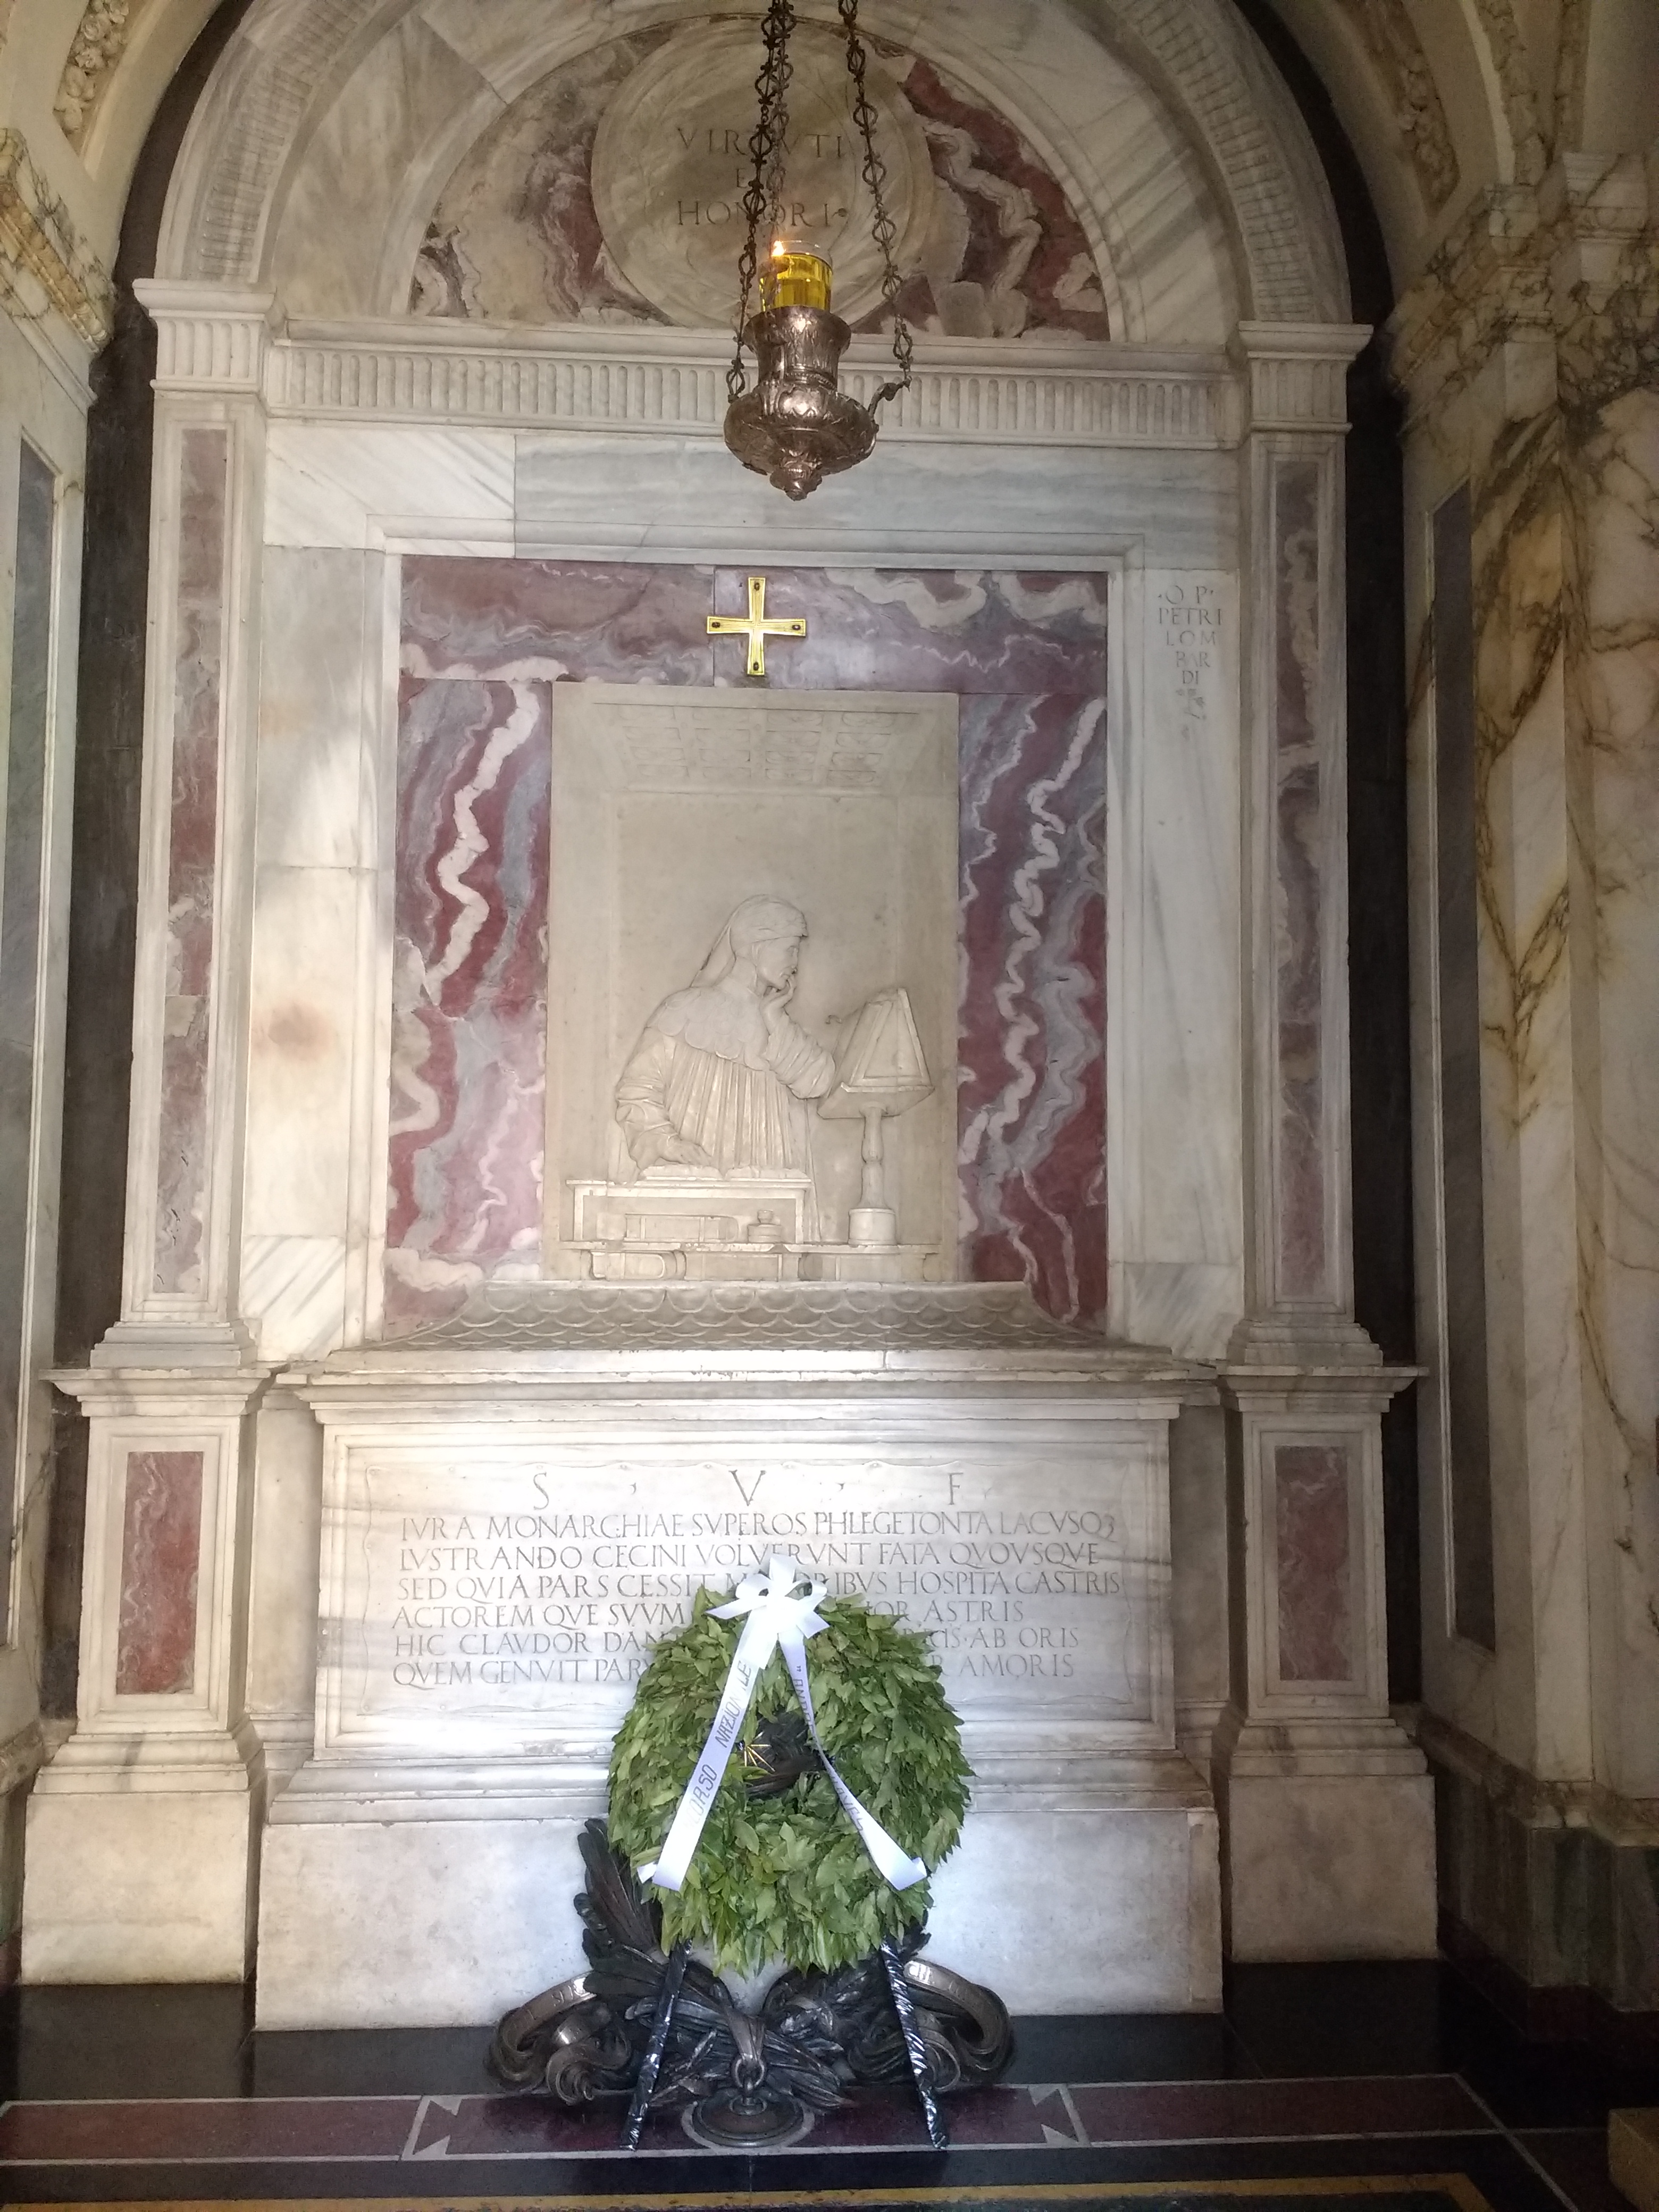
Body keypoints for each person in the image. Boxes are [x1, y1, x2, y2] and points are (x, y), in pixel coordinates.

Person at [615, 894, 835, 1178]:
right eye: (790, 950)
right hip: (697, 1179)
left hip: (769, 1180)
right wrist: (668, 1143)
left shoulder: (778, 1024)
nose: (795, 964)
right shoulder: (685, 1010)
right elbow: (638, 1089)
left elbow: (818, 1082)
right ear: (756, 948)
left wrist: (775, 1020)